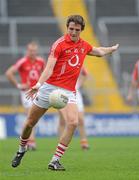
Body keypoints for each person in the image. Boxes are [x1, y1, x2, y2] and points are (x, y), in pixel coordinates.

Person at [11, 15, 119, 171]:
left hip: (68, 91)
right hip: (49, 88)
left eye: (76, 30)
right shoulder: (59, 45)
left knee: (73, 122)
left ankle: (54, 160)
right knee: (29, 123)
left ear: (81, 30)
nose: (73, 32)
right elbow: (48, 68)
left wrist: (111, 49)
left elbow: (99, 51)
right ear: (67, 28)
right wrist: (39, 84)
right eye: (71, 29)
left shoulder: (84, 45)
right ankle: (21, 149)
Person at [5, 41, 45, 150]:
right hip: (27, 92)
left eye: (34, 51)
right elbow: (9, 73)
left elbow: (45, 73)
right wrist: (19, 85)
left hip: (38, 91)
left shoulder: (41, 61)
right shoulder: (22, 61)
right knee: (30, 115)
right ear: (27, 51)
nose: (32, 53)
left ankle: (28, 140)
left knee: (34, 117)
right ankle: (31, 141)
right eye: (31, 50)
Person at [58, 66, 89, 150]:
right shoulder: (61, 61)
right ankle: (60, 142)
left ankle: (84, 141)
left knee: (81, 119)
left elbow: (85, 74)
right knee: (63, 120)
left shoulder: (77, 61)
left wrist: (79, 84)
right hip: (61, 92)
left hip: (75, 93)